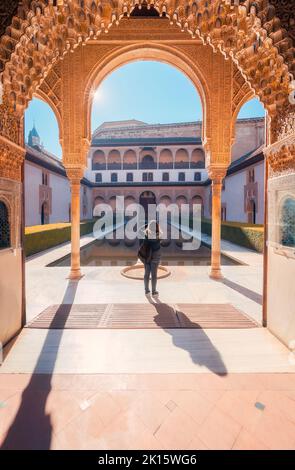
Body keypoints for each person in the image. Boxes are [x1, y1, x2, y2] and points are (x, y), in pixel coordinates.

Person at [142, 220, 162, 296]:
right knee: (154, 274)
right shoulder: (159, 235)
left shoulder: (146, 234)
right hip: (156, 256)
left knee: (146, 274)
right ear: (157, 227)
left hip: (147, 256)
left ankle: (147, 291)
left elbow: (141, 229)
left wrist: (148, 225)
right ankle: (154, 292)